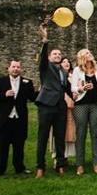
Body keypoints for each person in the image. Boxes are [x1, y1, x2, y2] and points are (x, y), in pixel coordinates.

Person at [0, 59, 35, 176]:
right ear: (8, 68)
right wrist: (4, 95)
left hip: (20, 118)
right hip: (5, 118)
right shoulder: (1, 81)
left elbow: (33, 97)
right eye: (13, 67)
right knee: (2, 144)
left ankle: (19, 168)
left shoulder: (27, 82)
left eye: (18, 67)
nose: (15, 69)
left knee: (19, 144)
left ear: (21, 69)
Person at [70, 49, 97, 175]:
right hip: (81, 105)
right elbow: (73, 88)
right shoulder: (77, 70)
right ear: (82, 57)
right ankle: (79, 164)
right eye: (87, 53)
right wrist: (82, 88)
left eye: (90, 52)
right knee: (81, 133)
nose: (90, 54)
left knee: (95, 133)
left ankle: (96, 163)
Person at [35, 22, 67, 178]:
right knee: (43, 136)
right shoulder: (45, 67)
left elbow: (66, 88)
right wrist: (45, 41)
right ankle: (40, 167)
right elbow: (42, 57)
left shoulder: (63, 72)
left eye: (59, 54)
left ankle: (60, 165)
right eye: (54, 54)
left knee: (59, 137)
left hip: (61, 107)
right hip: (46, 105)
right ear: (49, 57)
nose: (58, 56)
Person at [58, 57, 76, 161]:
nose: (66, 63)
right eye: (63, 62)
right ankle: (59, 156)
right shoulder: (58, 76)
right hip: (61, 105)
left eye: (68, 61)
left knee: (70, 131)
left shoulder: (73, 76)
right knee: (60, 130)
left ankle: (66, 155)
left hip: (72, 107)